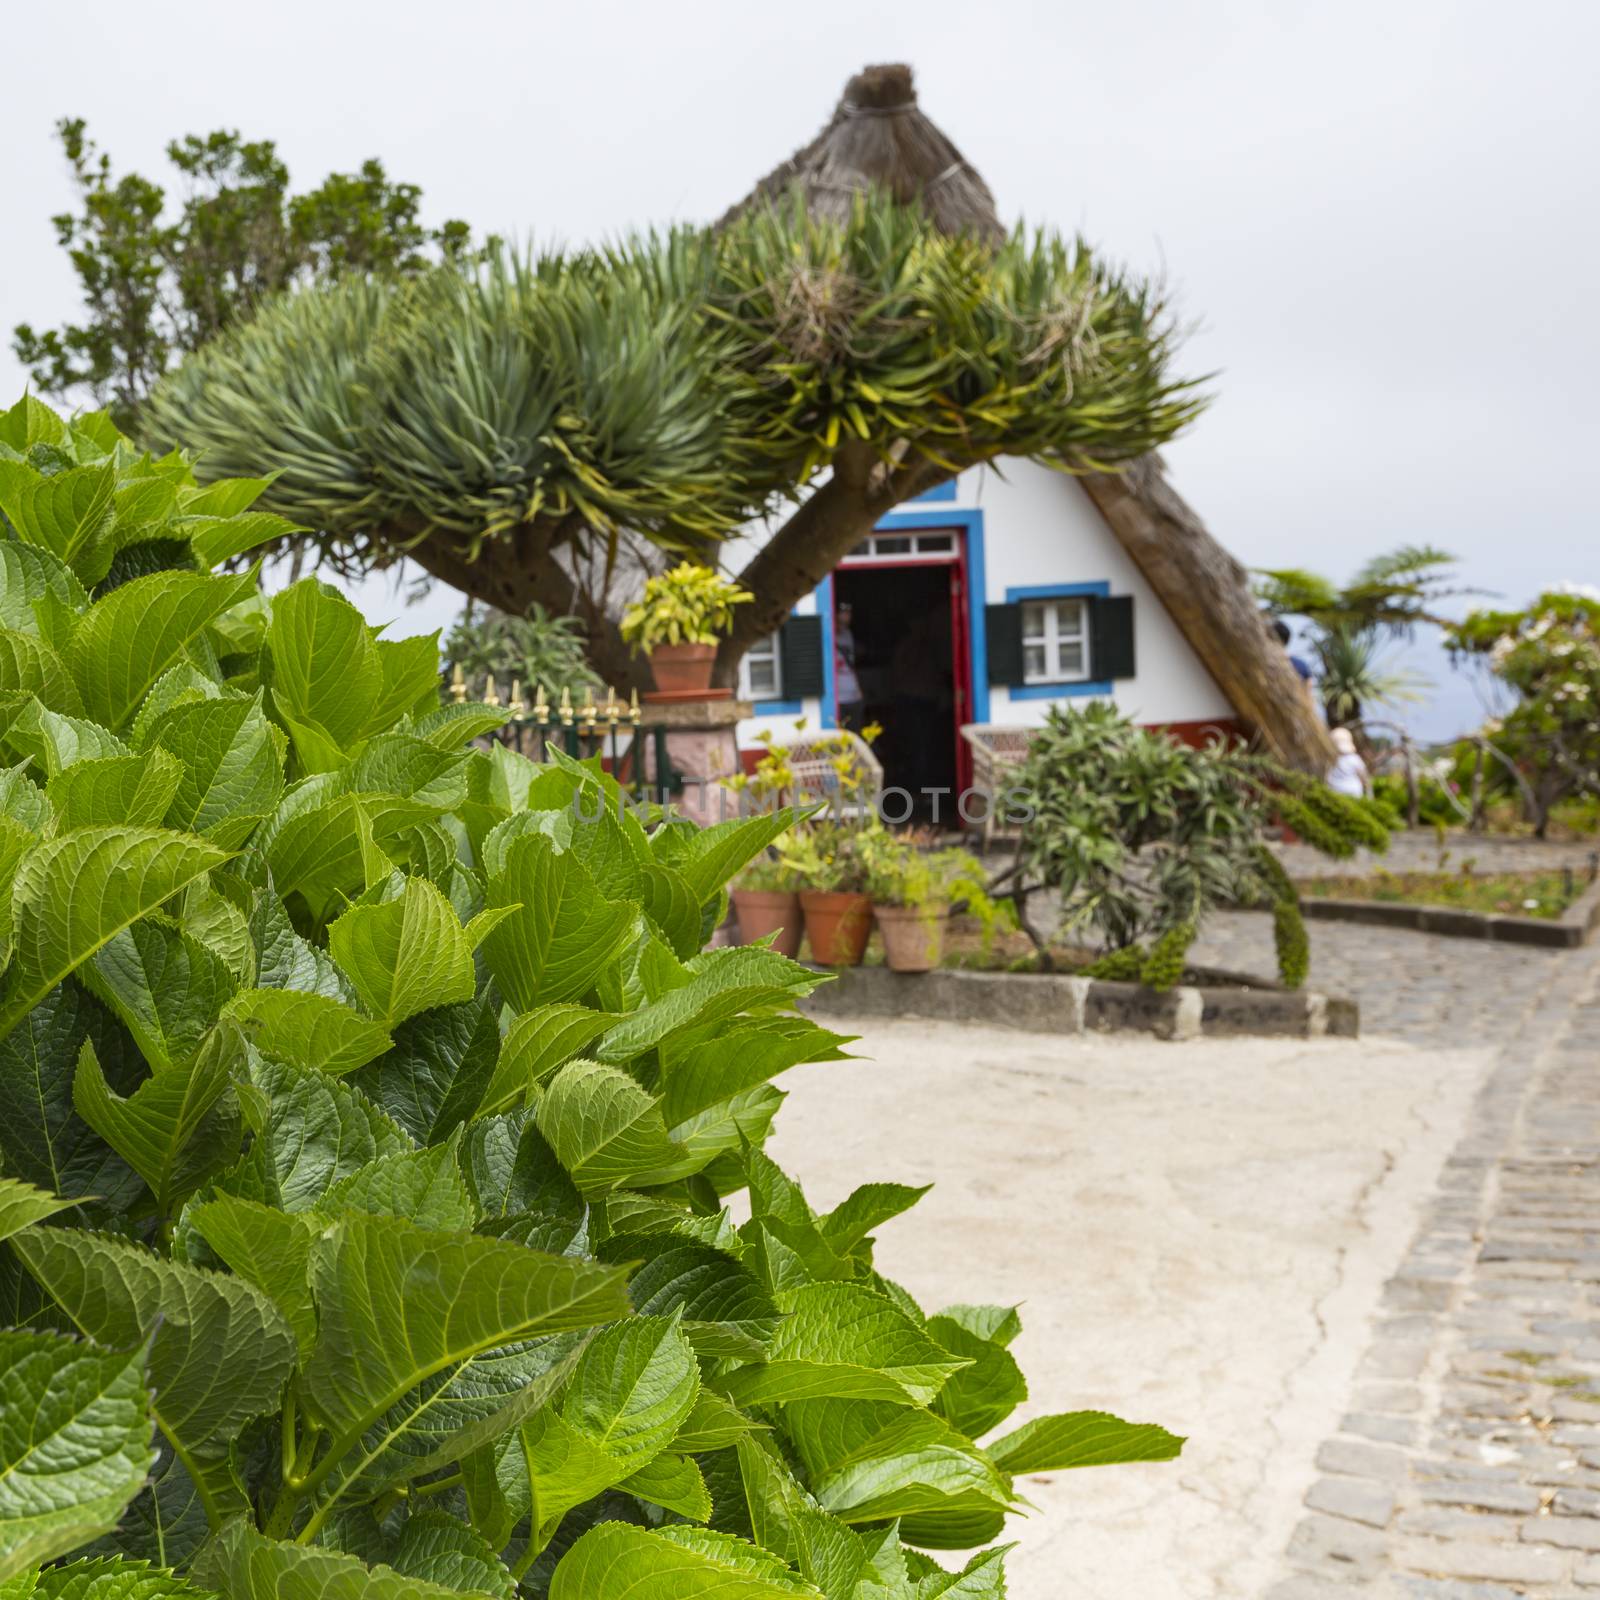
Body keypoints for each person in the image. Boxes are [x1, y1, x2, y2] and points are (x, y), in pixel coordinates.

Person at [834, 600, 863, 730]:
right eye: (843, 613)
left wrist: (859, 690)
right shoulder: (826, 634)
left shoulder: (848, 634)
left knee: (855, 736)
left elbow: (851, 664)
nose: (846, 616)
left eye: (848, 613)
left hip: (854, 697)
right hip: (837, 699)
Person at [1326, 726, 1371, 798]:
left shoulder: (1331, 759)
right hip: (1353, 792)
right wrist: (1369, 794)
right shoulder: (1355, 758)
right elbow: (1364, 777)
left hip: (1335, 793)